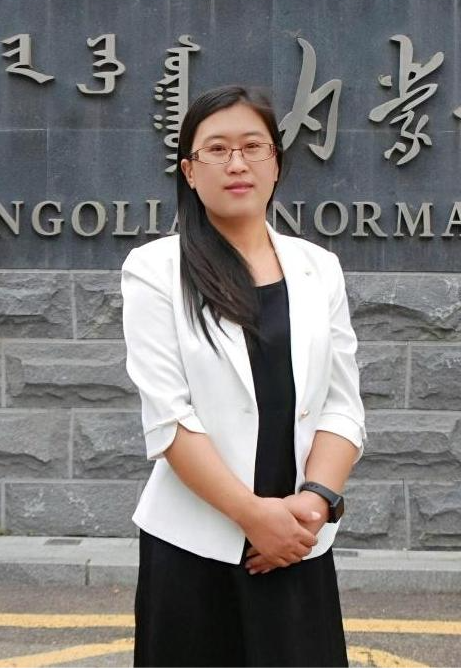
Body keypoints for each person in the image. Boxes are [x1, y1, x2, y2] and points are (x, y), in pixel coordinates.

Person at [121, 84, 365, 667]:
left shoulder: (319, 268)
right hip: (194, 551)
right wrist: (254, 516)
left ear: (276, 164)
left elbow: (342, 405)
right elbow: (170, 420)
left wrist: (315, 504)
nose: (237, 163)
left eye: (254, 147)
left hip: (298, 542)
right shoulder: (155, 270)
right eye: (217, 149)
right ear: (189, 170)